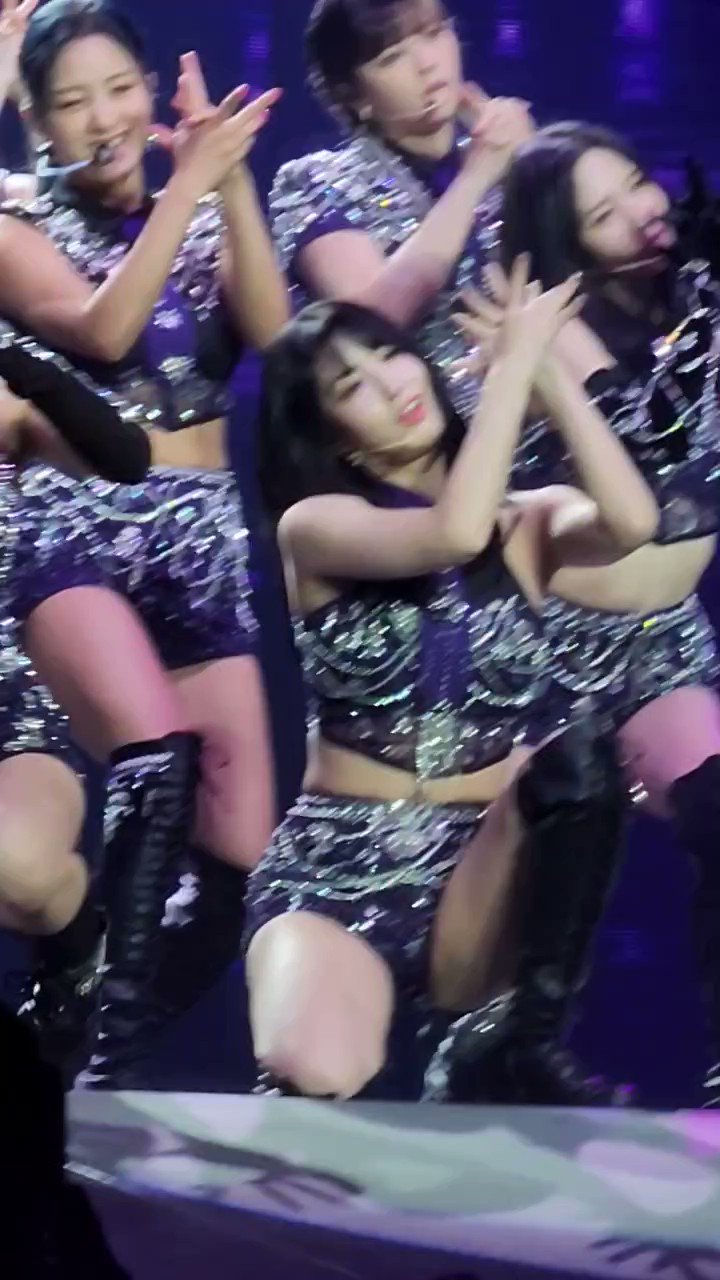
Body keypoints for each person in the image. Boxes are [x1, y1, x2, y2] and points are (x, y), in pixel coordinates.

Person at [243, 260, 660, 1105]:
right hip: (339, 871)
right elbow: (455, 532)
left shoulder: (528, 520)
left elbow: (634, 521)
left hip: (480, 872)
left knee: (584, 758)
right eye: (350, 386)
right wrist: (511, 372)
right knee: (316, 1071)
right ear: (334, 436)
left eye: (389, 354)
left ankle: (515, 1045)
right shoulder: (318, 527)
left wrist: (547, 374)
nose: (389, 382)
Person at [0, 0, 288, 1088]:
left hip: (203, 538)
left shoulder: (199, 206)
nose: (105, 118)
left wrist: (230, 180)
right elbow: (104, 330)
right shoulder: (18, 226)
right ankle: (104, 1071)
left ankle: (72, 1033)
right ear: (37, 121)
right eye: (73, 103)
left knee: (236, 853)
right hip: (80, 527)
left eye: (120, 89)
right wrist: (186, 187)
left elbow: (277, 338)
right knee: (153, 762)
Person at [473, 121, 720, 1106]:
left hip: (665, 647)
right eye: (602, 214)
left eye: (636, 186)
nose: (641, 215)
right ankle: (514, 1053)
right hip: (556, 654)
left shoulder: (684, 295)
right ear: (565, 245)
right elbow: (660, 457)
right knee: (536, 879)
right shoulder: (557, 324)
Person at [0, 323, 152, 1074]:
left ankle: (73, 949)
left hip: (13, 704)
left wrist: (16, 367)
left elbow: (125, 459)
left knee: (21, 869)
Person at [270, 0, 531, 418]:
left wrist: (535, 165)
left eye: (434, 34)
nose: (427, 64)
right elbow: (370, 324)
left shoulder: (504, 156)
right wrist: (475, 178)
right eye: (392, 57)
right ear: (354, 95)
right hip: (435, 433)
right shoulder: (314, 183)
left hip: (553, 409)